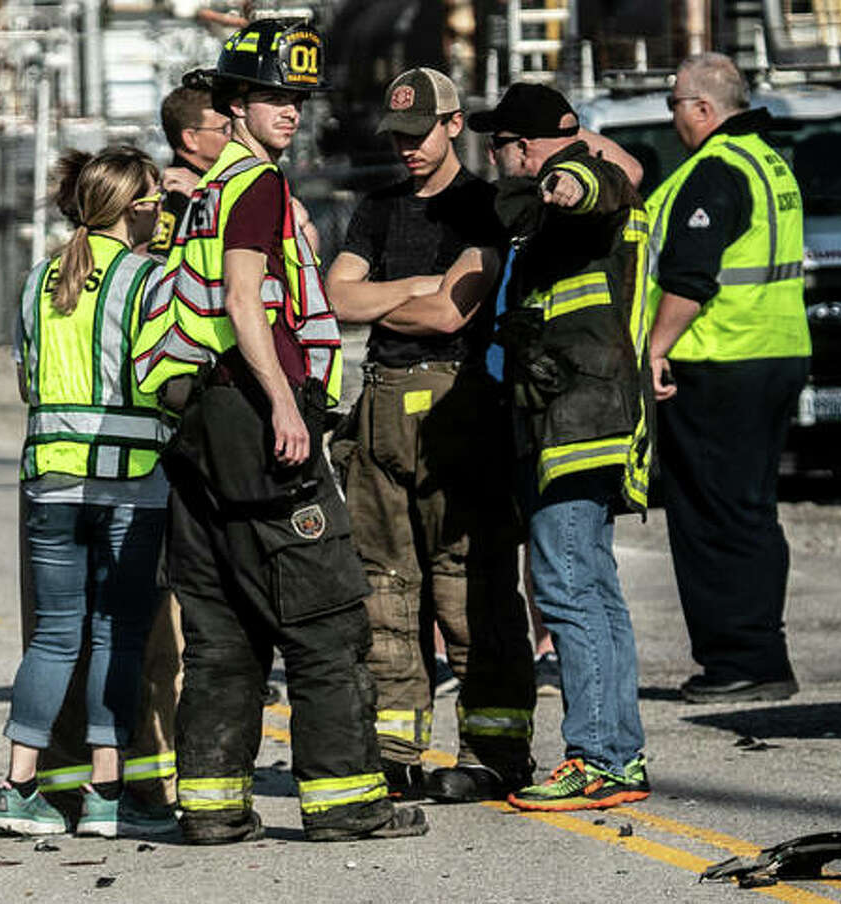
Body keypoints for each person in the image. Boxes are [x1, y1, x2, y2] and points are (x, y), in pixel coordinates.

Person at [131, 19, 427, 844]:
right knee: (327, 613)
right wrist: (286, 404)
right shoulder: (254, 186)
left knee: (224, 621)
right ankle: (348, 802)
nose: (288, 111)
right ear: (233, 104)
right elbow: (241, 299)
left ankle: (214, 806)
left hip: (196, 426)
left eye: (296, 98)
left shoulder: (199, 191)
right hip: (254, 418)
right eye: (270, 97)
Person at [325, 67, 536, 804]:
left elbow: (454, 315)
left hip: (460, 407)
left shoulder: (484, 207)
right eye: (398, 137)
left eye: (420, 135)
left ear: (454, 126)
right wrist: (418, 290)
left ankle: (496, 749)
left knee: (467, 584)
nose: (408, 149)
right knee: (385, 588)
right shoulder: (376, 210)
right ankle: (395, 750)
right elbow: (334, 296)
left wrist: (388, 299)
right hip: (380, 405)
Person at [467, 82, 653, 811]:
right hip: (574, 420)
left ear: (526, 145)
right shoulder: (544, 212)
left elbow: (598, 186)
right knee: (594, 593)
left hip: (575, 426)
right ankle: (617, 755)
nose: (493, 156)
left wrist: (565, 177)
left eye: (501, 144)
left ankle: (599, 757)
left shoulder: (572, 186)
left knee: (569, 589)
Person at [0, 146, 177, 838]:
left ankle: (17, 788)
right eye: (156, 199)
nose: (162, 211)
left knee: (53, 637)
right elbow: (167, 381)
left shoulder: (39, 280)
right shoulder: (147, 280)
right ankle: (105, 797)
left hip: (48, 481)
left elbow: (26, 382)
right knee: (117, 637)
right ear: (134, 209)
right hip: (131, 484)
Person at [645, 52, 811, 705]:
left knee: (713, 516)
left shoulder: (716, 171)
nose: (673, 118)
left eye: (675, 105)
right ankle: (758, 652)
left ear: (703, 109)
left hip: (720, 361)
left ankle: (743, 660)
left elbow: (691, 277)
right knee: (749, 511)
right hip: (773, 354)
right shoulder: (770, 162)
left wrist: (656, 346)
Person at [146, 79, 233, 261]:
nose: (233, 136)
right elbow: (162, 266)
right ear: (190, 138)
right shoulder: (177, 196)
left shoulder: (213, 184)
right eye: (225, 129)